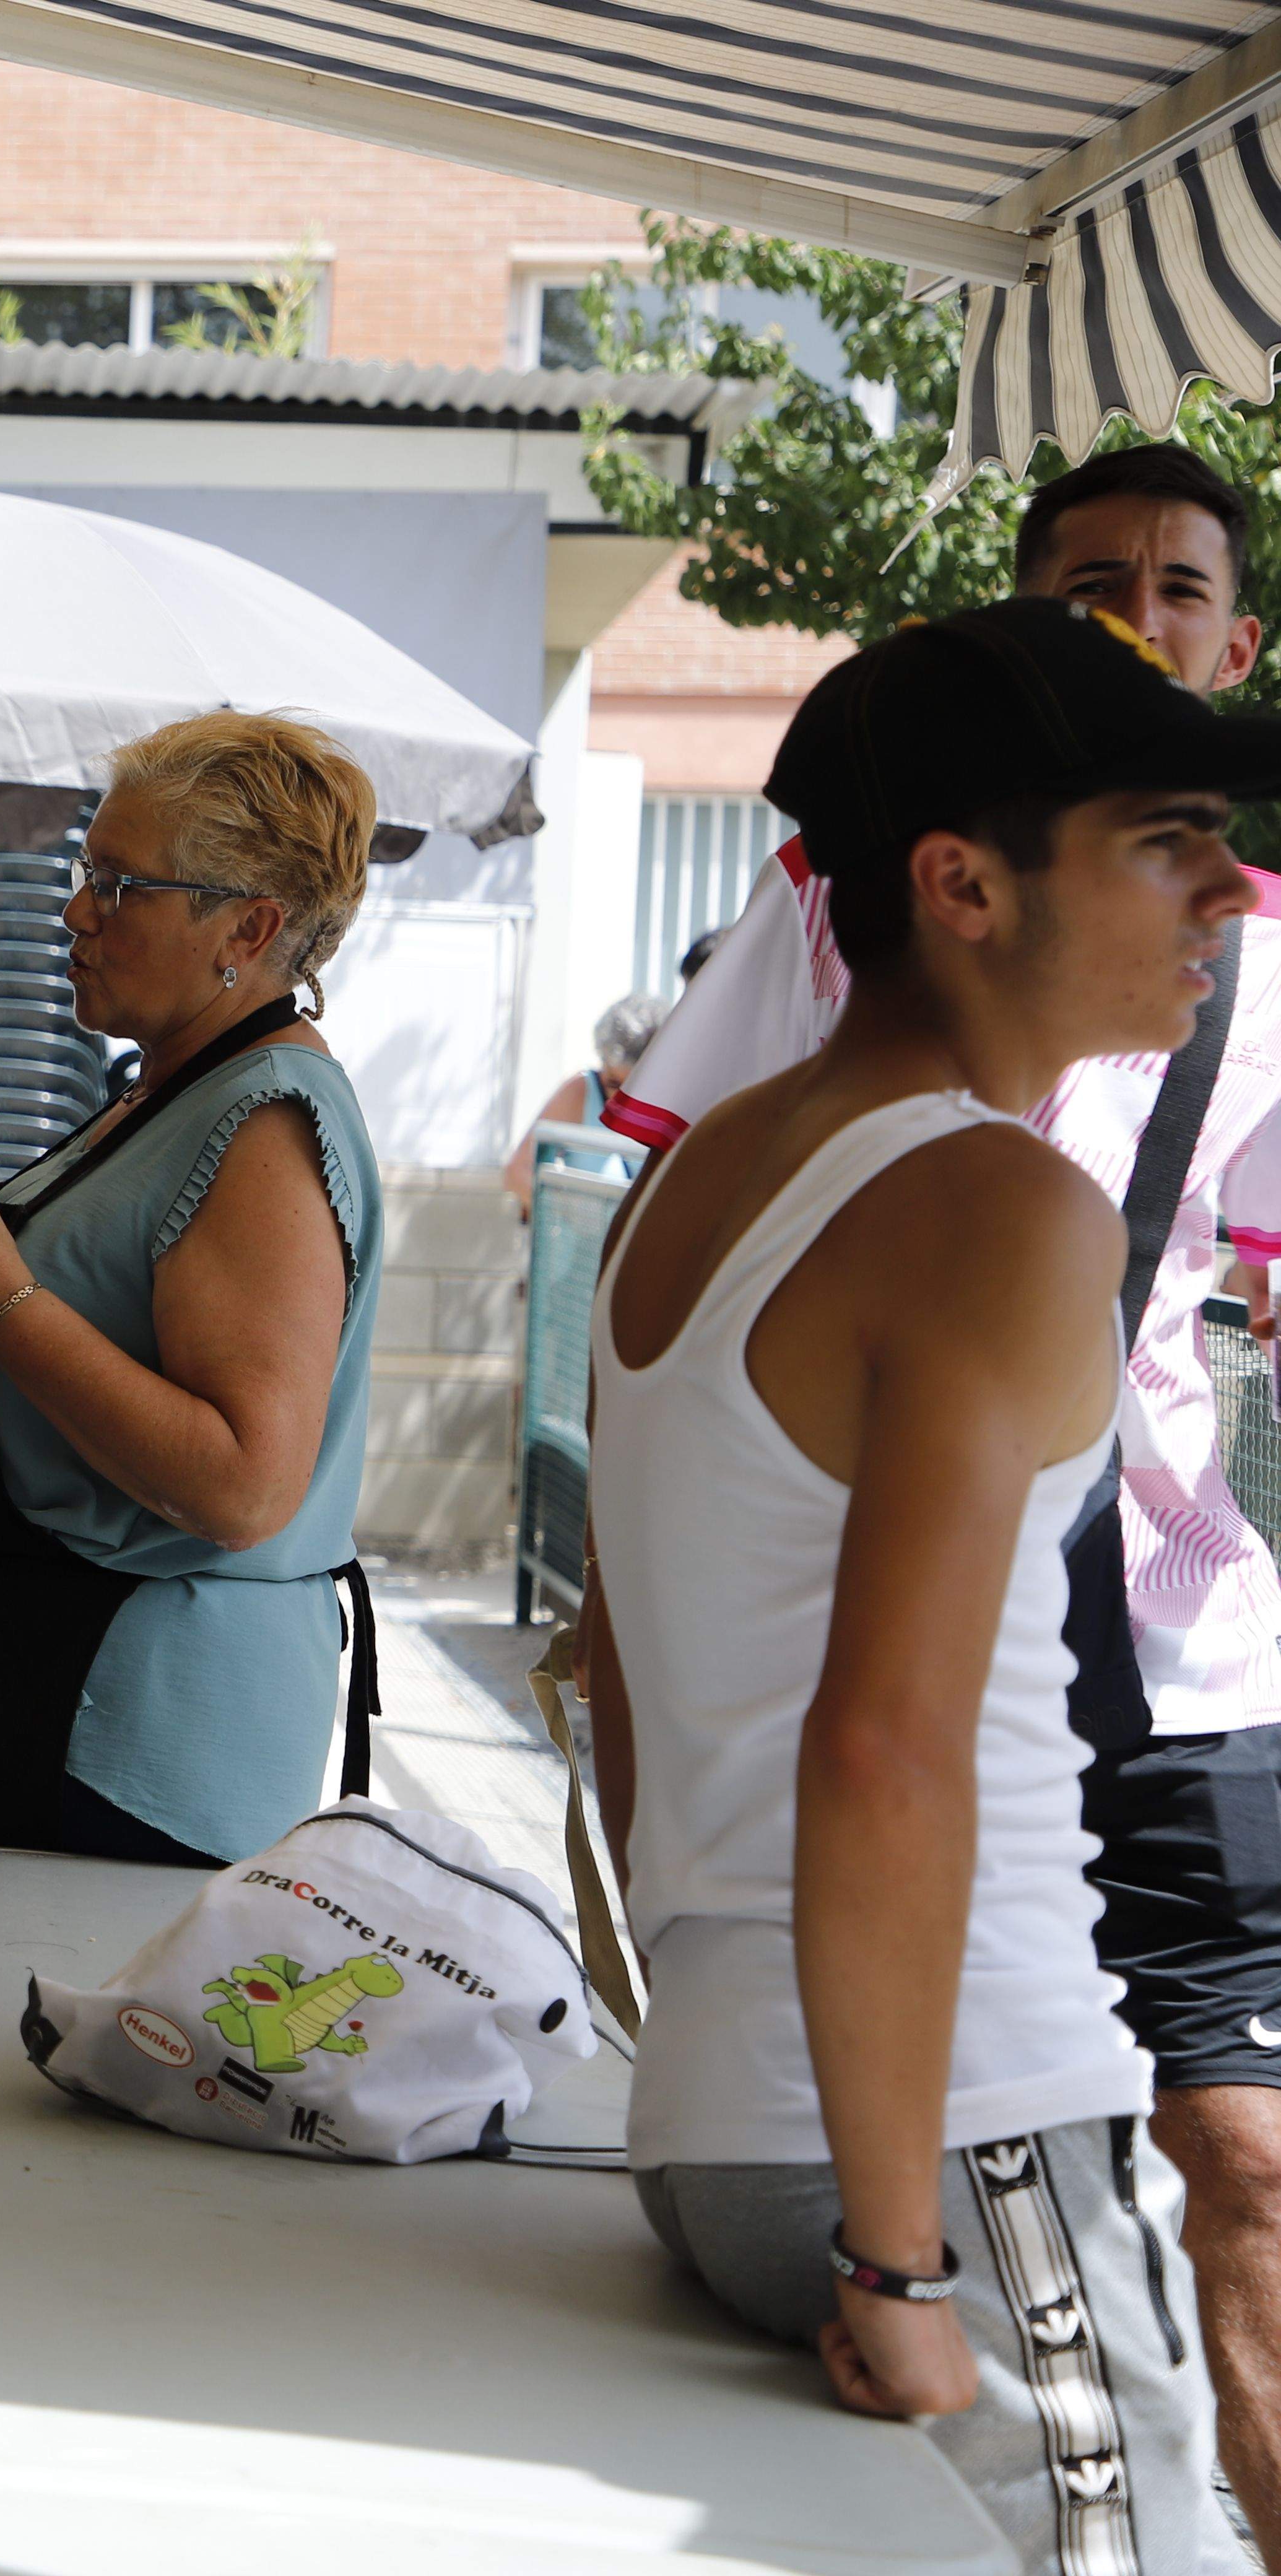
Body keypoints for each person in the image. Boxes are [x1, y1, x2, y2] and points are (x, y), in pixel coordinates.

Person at [597, 441, 1281, 2544]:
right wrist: (900, 2256)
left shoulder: (718, 1158)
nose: (1229, 893)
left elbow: (617, 1664)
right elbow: (887, 1746)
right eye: (1167, 845)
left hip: (729, 2117)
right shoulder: (997, 1203)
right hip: (955, 2145)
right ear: (963, 884)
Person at [0, 711, 387, 1865]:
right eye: (90, 873)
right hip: (33, 1713)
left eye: (121, 887)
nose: (76, 913)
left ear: (251, 926)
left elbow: (239, 1484)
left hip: (114, 1743)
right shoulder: (180, 1088)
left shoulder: (266, 1117)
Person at [503, 990, 666, 1212]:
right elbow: (517, 1173)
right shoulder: (582, 1091)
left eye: (634, 1088)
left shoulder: (671, 1107)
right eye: (613, 1084)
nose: (621, 1100)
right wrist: (569, 1212)